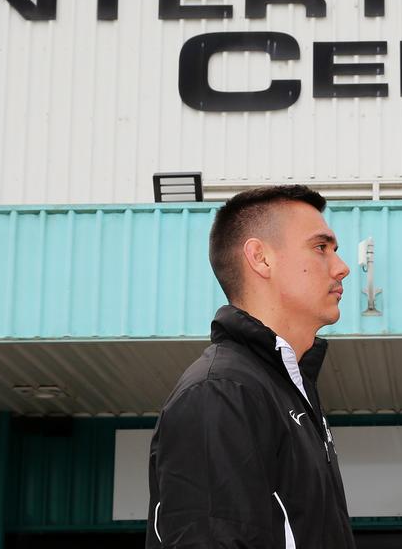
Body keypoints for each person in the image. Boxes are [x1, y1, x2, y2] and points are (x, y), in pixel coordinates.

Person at [146, 185, 356, 549]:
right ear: (260, 258)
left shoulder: (285, 391)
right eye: (321, 248)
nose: (342, 268)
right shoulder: (220, 393)